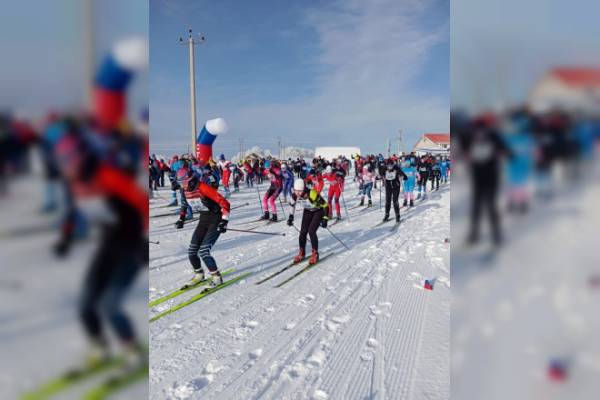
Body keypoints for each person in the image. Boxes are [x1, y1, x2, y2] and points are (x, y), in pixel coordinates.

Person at [175, 168, 230, 288]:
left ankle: (216, 277)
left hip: (215, 219)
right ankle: (199, 274)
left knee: (204, 251)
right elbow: (184, 204)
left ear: (190, 179)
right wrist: (181, 219)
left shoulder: (203, 188)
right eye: (180, 183)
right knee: (192, 252)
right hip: (203, 220)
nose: (183, 186)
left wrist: (224, 221)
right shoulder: (184, 190)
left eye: (184, 182)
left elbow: (224, 202)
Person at [287, 178, 329, 265]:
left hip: (318, 211)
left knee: (311, 231)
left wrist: (325, 218)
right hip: (308, 211)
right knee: (303, 232)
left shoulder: (312, 193)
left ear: (304, 189)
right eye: (296, 191)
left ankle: (315, 254)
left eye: (300, 191)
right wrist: (291, 217)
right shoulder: (295, 195)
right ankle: (301, 252)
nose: (297, 193)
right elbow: (292, 205)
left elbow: (325, 205)